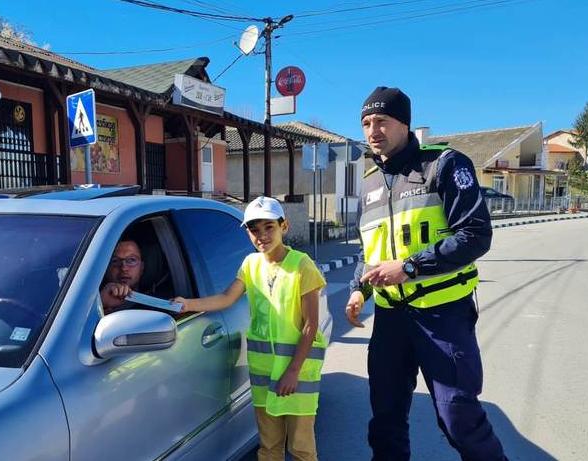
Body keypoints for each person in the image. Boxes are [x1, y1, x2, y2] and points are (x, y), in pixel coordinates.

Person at [345, 86, 507, 460]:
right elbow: (367, 250)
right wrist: (359, 289)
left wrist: (409, 267)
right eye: (366, 123)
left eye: (381, 121)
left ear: (405, 124)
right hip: (391, 321)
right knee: (384, 421)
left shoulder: (445, 164)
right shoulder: (369, 182)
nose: (372, 131)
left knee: (459, 420)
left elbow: (475, 234)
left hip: (443, 316)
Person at [175, 196, 327, 461]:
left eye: (269, 227)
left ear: (284, 226)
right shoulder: (250, 264)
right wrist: (188, 304)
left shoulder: (302, 265)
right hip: (264, 372)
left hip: (298, 372)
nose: (262, 236)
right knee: (269, 446)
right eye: (254, 229)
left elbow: (311, 324)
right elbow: (226, 298)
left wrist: (293, 371)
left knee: (301, 447)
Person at [100, 236, 144, 315]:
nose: (123, 268)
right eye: (115, 261)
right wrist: (100, 303)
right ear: (106, 267)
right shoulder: (95, 298)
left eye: (131, 260)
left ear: (142, 267)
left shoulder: (156, 308)